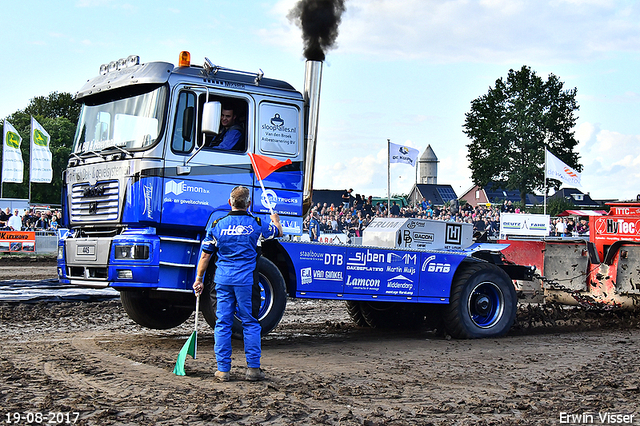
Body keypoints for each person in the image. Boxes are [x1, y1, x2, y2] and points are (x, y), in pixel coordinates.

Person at [192, 186, 282, 382]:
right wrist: (275, 220)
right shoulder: (257, 223)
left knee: (222, 323)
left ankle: (223, 371)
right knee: (250, 323)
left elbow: (206, 255)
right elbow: (278, 232)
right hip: (247, 282)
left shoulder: (217, 224)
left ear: (229, 202)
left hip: (222, 281)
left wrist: (198, 279)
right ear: (249, 204)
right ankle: (253, 370)